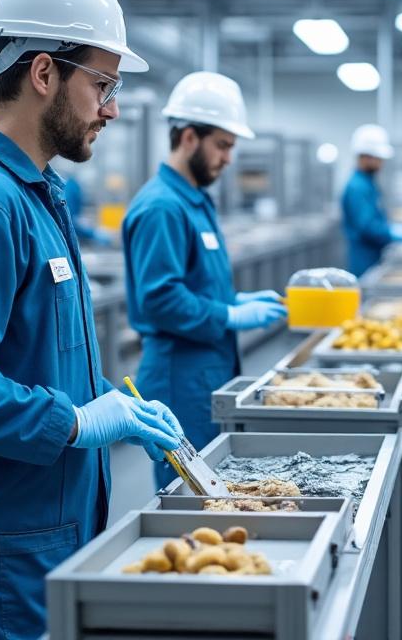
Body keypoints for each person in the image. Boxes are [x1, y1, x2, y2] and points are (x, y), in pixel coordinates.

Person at [0, 0, 184, 640]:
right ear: (44, 73)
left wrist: (110, 400)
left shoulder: (35, 196)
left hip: (43, 542)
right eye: (103, 84)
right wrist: (80, 425)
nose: (112, 108)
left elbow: (30, 353)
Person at [123, 71, 287, 489]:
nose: (229, 159)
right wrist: (232, 314)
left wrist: (234, 300)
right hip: (181, 378)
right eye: (223, 145)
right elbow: (160, 299)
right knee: (192, 497)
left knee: (218, 488)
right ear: (189, 137)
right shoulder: (162, 207)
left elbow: (195, 284)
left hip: (209, 369)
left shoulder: (195, 201)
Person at [340, 123, 402, 277]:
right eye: (379, 158)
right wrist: (391, 232)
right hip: (364, 258)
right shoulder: (357, 187)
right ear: (366, 157)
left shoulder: (368, 183)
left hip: (373, 256)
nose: (382, 162)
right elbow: (367, 227)